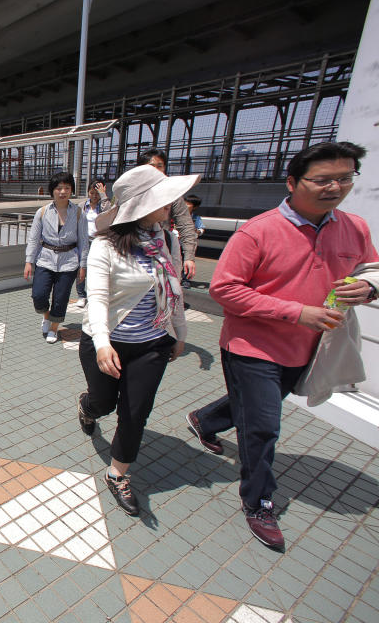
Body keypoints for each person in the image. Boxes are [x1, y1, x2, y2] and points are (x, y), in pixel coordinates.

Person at [186, 141, 378, 551]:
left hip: (312, 346)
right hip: (251, 346)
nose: (335, 187)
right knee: (263, 427)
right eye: (323, 180)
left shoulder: (355, 228)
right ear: (293, 183)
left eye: (345, 178)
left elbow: (370, 267)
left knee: (257, 406)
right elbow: (224, 289)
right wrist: (296, 312)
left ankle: (205, 420)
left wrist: (370, 286)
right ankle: (258, 501)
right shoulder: (259, 231)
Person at [77, 164, 195, 515]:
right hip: (106, 342)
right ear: (140, 207)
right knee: (104, 404)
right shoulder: (105, 247)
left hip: (152, 343)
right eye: (162, 200)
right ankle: (87, 406)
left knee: (135, 412)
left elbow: (172, 290)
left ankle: (117, 473)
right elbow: (96, 298)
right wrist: (101, 342)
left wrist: (179, 334)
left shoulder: (167, 239)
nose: (170, 206)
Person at [103, 148, 199, 279]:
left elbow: (185, 224)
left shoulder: (174, 197)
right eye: (151, 167)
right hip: (130, 246)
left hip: (161, 249)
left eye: (160, 166)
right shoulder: (128, 194)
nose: (156, 171)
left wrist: (189, 256)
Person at [24, 172, 89, 343]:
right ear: (52, 190)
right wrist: (29, 261)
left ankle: (54, 328)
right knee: (39, 295)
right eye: (59, 188)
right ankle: (46, 316)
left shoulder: (78, 213)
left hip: (69, 262)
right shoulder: (43, 212)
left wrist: (83, 266)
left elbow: (83, 241)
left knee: (61, 299)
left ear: (72, 190)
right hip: (45, 259)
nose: (63, 191)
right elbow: (34, 239)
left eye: (67, 188)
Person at [73, 180, 106, 310]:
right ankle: (82, 295)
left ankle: (95, 296)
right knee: (81, 268)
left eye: (97, 193)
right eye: (92, 193)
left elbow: (109, 212)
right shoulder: (82, 206)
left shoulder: (104, 205)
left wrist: (104, 196)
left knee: (96, 270)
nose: (94, 196)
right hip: (84, 240)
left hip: (99, 241)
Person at [180, 194, 204, 286]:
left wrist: (196, 231)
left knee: (188, 260)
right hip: (177, 242)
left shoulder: (196, 218)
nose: (185, 205)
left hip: (190, 244)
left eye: (188, 203)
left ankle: (186, 279)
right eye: (185, 202)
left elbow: (201, 229)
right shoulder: (178, 216)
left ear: (195, 207)